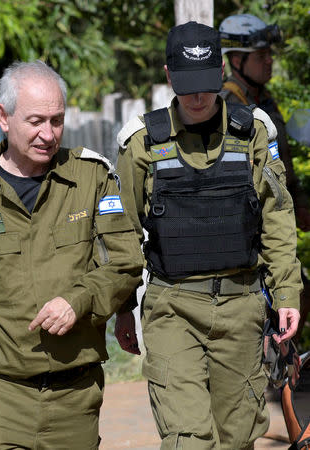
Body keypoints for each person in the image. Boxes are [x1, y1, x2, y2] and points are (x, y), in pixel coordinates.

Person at [0, 60, 143, 449]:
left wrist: (79, 300)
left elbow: (125, 263)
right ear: (4, 117)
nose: (48, 134)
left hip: (74, 393)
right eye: (36, 120)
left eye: (57, 120)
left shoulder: (93, 177)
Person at [114, 21, 302, 449]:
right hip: (172, 309)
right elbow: (123, 232)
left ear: (221, 70)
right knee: (189, 441)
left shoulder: (252, 132)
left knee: (236, 439)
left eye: (204, 85)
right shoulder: (142, 143)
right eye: (185, 87)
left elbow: (276, 216)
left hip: (242, 306)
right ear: (168, 76)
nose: (197, 98)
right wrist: (123, 308)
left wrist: (287, 293)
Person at [220, 13, 310, 342]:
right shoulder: (229, 107)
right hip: (248, 233)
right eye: (261, 56)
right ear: (237, 60)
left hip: (276, 222)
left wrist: (298, 205)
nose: (270, 61)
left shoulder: (265, 102)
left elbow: (281, 165)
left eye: (270, 54)